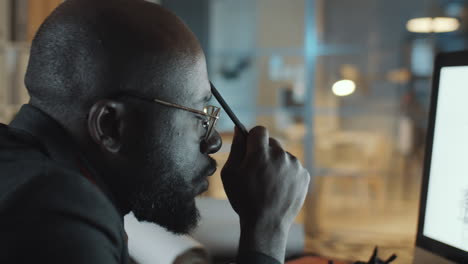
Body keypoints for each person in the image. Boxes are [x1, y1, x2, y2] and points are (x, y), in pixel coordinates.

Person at [0, 0, 310, 263]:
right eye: (198, 115)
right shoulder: (57, 213)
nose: (214, 141)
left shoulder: (23, 172)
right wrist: (266, 231)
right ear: (110, 125)